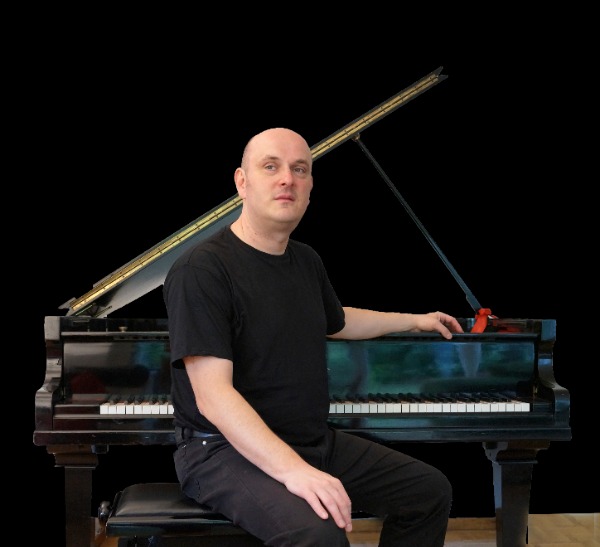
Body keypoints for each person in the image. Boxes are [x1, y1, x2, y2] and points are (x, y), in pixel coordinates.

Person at [163, 127, 464, 546]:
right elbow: (214, 397)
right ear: (242, 182)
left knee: (428, 492)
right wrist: (295, 471)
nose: (287, 178)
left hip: (309, 440)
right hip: (219, 451)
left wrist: (414, 320)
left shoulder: (305, 260)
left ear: (309, 188)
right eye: (271, 167)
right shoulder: (201, 270)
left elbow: (336, 321)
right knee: (319, 534)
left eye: (299, 169)